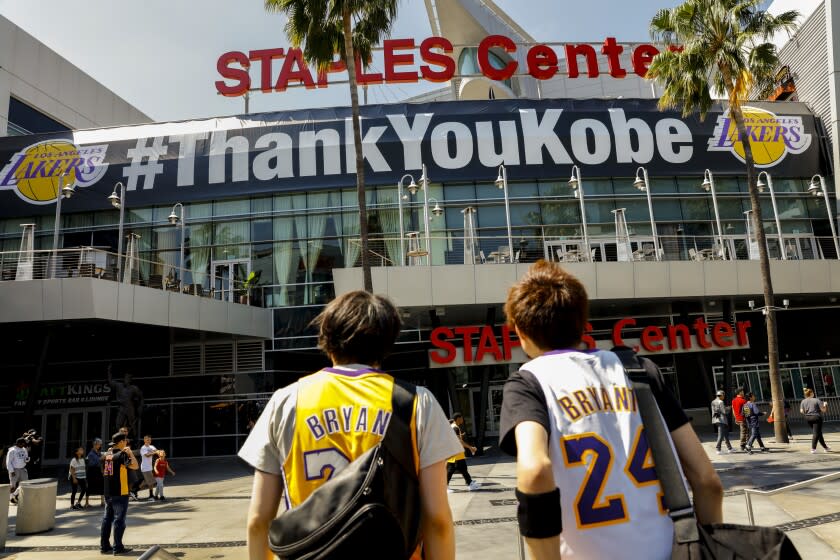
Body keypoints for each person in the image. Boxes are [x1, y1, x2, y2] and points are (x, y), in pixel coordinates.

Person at [499, 261, 723, 560]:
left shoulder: (529, 382)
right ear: (582, 322)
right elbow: (707, 481)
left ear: (520, 332)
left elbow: (535, 470)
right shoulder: (637, 369)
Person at [239, 290, 461, 560]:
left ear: (327, 340)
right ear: (387, 342)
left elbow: (259, 520)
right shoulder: (416, 403)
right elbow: (437, 519)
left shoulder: (286, 402)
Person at [101, 431, 140, 556]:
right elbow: (135, 466)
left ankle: (104, 546)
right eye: (125, 441)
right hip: (120, 491)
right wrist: (129, 453)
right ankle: (117, 548)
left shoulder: (106, 455)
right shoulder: (122, 454)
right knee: (119, 520)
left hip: (108, 492)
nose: (127, 442)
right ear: (121, 442)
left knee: (107, 519)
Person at [446, 413, 480, 492]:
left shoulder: (453, 427)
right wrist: (470, 448)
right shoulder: (455, 428)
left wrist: (460, 435)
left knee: (463, 469)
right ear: (458, 419)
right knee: (451, 470)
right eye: (461, 418)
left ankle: (470, 483)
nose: (462, 420)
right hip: (455, 453)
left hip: (455, 452)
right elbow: (459, 441)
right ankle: (445, 486)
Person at [107, 365, 144, 438]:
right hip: (122, 407)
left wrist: (140, 407)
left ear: (130, 380)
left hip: (130, 407)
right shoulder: (119, 386)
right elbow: (110, 382)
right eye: (126, 377)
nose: (127, 379)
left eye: (129, 378)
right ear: (124, 378)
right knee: (118, 424)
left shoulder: (133, 388)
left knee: (132, 424)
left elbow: (141, 397)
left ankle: (134, 438)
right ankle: (119, 438)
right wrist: (109, 371)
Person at [800, 388, 830, 453]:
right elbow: (823, 410)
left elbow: (801, 411)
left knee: (819, 433)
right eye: (813, 393)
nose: (813, 394)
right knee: (816, 433)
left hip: (808, 418)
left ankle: (825, 447)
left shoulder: (803, 401)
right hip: (816, 417)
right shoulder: (817, 400)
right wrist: (825, 405)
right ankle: (813, 449)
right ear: (811, 393)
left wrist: (807, 413)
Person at [6, 438, 29, 505]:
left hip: (22, 469)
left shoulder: (24, 449)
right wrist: (11, 471)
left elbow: (26, 458)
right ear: (18, 443)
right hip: (14, 469)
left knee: (25, 484)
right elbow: (8, 462)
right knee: (13, 485)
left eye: (24, 443)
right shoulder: (12, 450)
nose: (24, 445)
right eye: (23, 443)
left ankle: (14, 495)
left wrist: (26, 460)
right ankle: (11, 499)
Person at [710, 389, 733, 454]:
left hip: (716, 419)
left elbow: (717, 410)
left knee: (725, 434)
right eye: (723, 395)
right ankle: (718, 449)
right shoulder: (721, 402)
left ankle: (729, 448)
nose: (724, 397)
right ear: (721, 395)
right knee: (721, 435)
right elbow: (724, 412)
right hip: (722, 420)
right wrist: (728, 408)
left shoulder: (713, 402)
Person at [138, 435, 158, 500]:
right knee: (151, 482)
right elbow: (147, 455)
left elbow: (157, 451)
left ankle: (134, 491)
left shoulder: (151, 446)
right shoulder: (143, 448)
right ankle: (151, 496)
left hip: (149, 467)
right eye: (147, 440)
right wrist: (154, 452)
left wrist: (158, 452)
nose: (149, 441)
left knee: (147, 481)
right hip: (145, 468)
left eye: (150, 440)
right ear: (144, 440)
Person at [87, 438, 105, 507]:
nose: (100, 446)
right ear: (95, 444)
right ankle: (87, 502)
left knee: (101, 485)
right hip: (92, 471)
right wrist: (101, 458)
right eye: (99, 444)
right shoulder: (91, 453)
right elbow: (92, 463)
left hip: (98, 471)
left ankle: (102, 502)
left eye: (100, 445)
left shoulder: (98, 452)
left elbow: (101, 459)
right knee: (90, 486)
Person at [731, 387, 749, 452]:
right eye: (743, 392)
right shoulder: (743, 400)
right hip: (743, 418)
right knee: (744, 431)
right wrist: (749, 417)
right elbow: (747, 411)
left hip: (738, 418)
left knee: (745, 431)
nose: (743, 393)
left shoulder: (733, 400)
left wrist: (735, 418)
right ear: (740, 392)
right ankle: (742, 445)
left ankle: (748, 443)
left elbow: (733, 410)